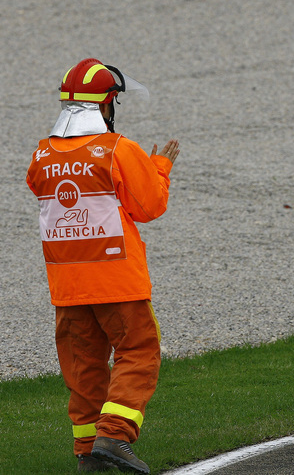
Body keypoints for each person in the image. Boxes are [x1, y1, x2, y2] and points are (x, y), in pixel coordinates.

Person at [26, 58, 180, 474]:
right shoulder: (117, 149)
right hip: (117, 283)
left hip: (67, 287)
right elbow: (149, 205)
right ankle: (114, 434)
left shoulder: (41, 155)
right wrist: (160, 168)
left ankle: (87, 454)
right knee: (139, 351)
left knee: (83, 369)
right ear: (107, 104)